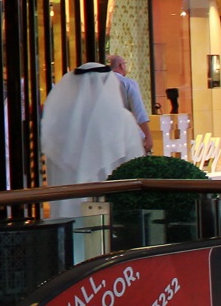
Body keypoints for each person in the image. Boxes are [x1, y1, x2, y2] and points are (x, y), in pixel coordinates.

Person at [41, 62, 147, 221]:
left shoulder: (60, 121)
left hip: (66, 211)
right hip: (110, 211)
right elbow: (134, 165)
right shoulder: (122, 119)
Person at [107, 54, 154, 153]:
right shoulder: (127, 83)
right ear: (121, 66)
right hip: (127, 135)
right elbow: (139, 112)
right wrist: (148, 136)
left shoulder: (101, 84)